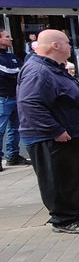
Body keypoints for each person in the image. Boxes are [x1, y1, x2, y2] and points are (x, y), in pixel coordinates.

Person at [16, 30, 79, 233]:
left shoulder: (53, 69)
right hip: (54, 138)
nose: (70, 46)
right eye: (67, 42)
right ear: (55, 46)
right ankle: (62, 219)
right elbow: (31, 103)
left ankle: (71, 212)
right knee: (59, 178)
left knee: (72, 177)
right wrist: (54, 130)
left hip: (75, 134)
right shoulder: (38, 71)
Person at [0, 29, 28, 170]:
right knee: (1, 130)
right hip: (2, 98)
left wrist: (19, 70)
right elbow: (7, 71)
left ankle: (12, 156)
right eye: (6, 37)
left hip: (15, 97)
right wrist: (19, 70)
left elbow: (23, 70)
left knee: (15, 129)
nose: (10, 39)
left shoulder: (12, 56)